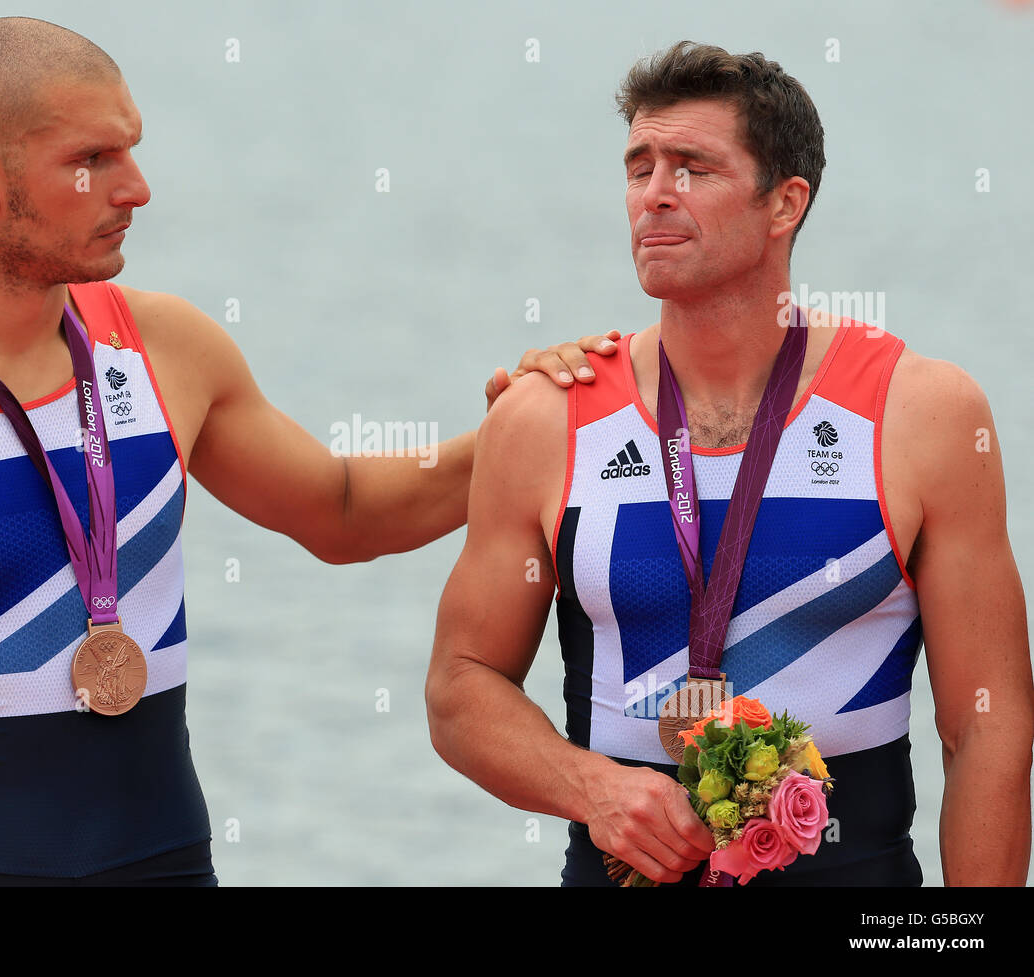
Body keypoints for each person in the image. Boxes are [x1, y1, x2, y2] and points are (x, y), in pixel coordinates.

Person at [0, 17, 619, 886]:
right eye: (95, 160)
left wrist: (529, 428)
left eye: (133, 149)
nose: (138, 188)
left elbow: (344, 510)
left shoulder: (166, 350)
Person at [425, 41, 1033, 886]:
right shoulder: (544, 415)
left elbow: (988, 727)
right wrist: (594, 786)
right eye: (639, 167)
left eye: (692, 168)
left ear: (785, 204)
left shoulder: (924, 415)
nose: (654, 194)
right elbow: (460, 685)